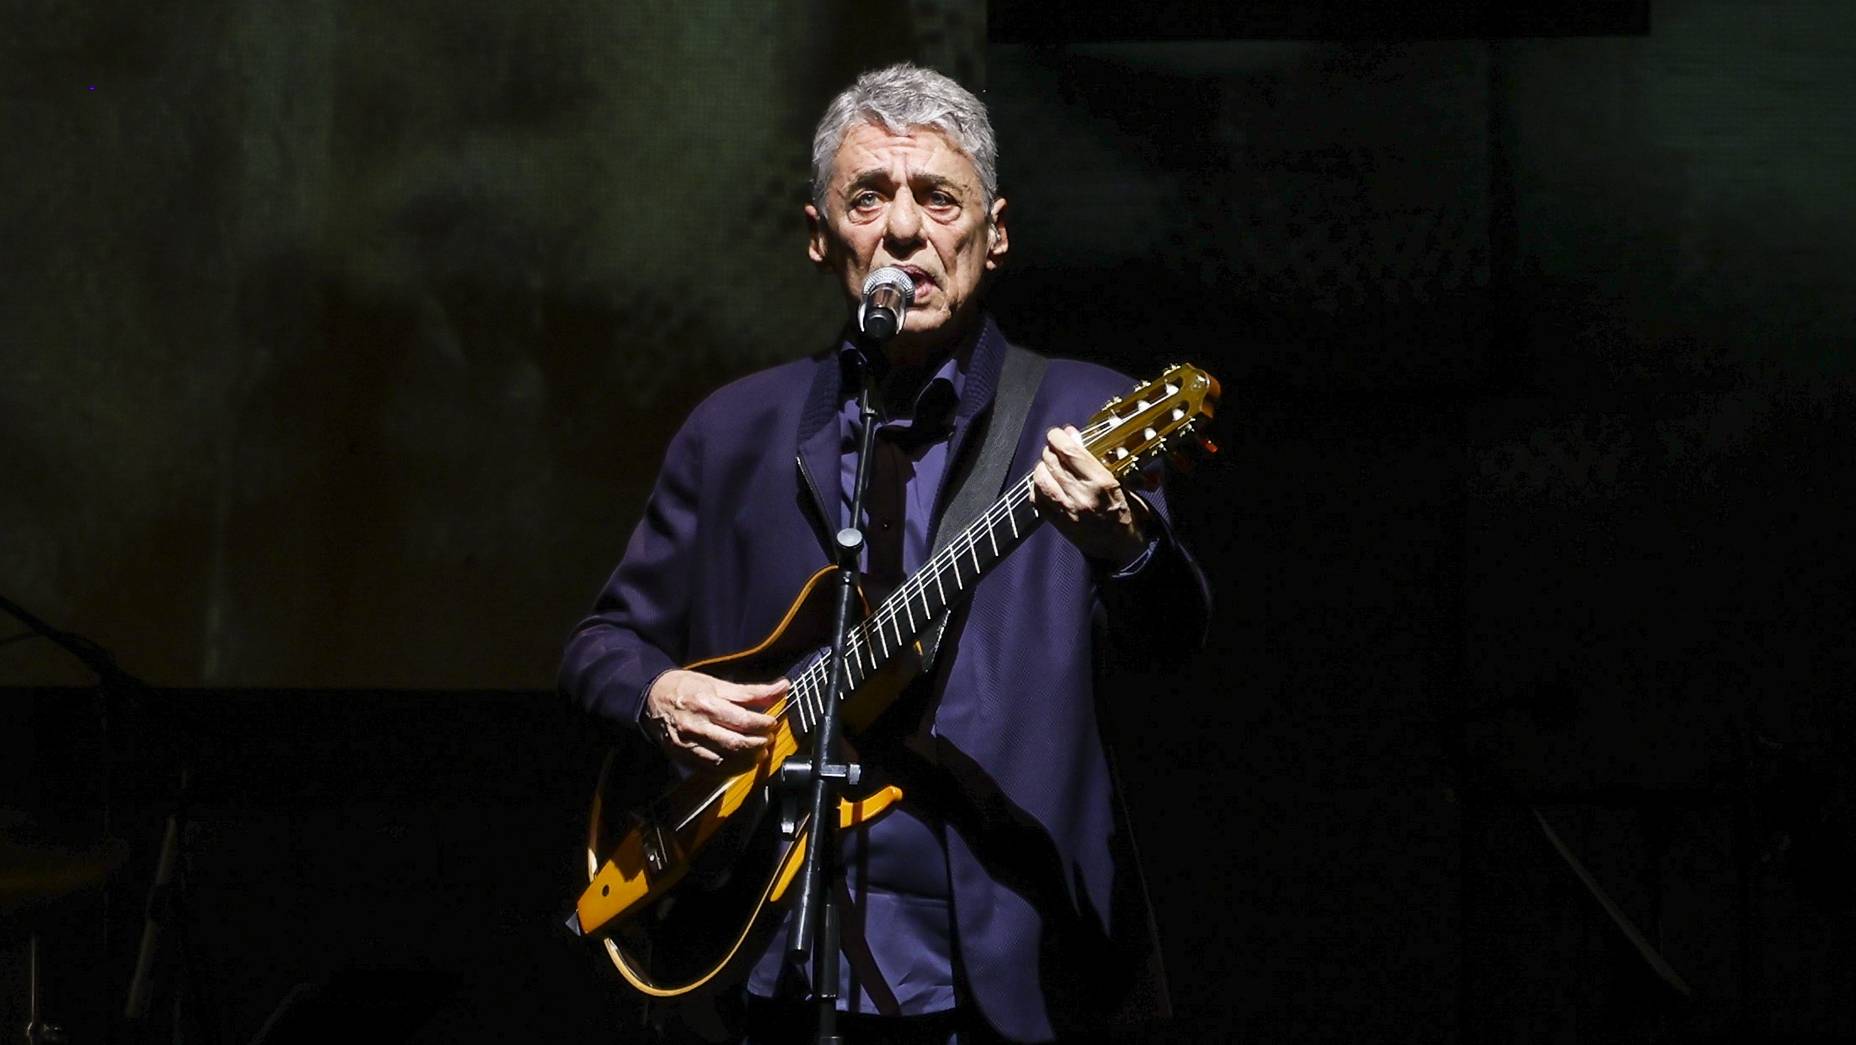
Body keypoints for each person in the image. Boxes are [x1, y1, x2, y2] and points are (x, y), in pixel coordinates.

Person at [559, 63, 1210, 1044]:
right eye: (869, 197)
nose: (903, 229)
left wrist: (1123, 546)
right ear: (820, 237)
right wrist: (658, 697)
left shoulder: (1078, 412)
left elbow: (1174, 648)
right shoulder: (734, 429)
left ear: (992, 235)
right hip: (767, 947)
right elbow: (601, 641)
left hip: (1006, 962)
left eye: (936, 197)